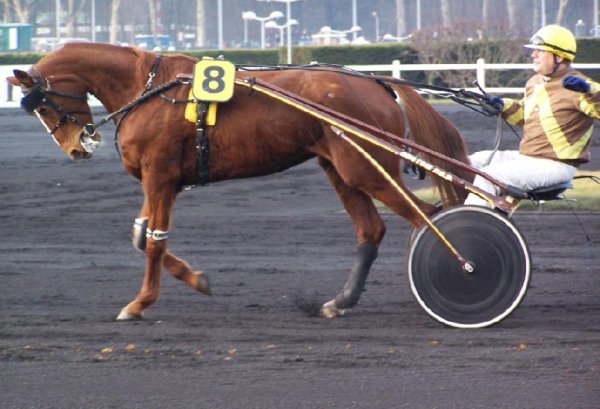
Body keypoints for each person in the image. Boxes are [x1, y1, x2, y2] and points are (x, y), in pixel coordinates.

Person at [465, 24, 600, 207]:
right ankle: (456, 215)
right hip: (527, 158)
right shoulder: (534, 83)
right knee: (468, 163)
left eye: (539, 51)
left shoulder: (578, 86)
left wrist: (589, 91)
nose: (533, 55)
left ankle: (466, 228)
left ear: (559, 57)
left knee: (488, 177)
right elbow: (526, 115)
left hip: (556, 166)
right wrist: (502, 105)